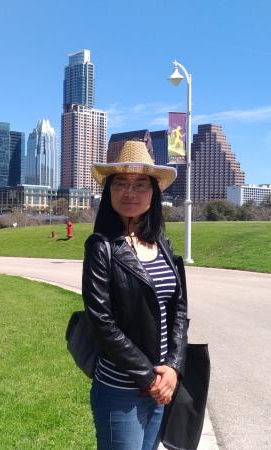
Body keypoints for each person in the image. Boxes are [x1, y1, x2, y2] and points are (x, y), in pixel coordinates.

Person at [83, 140, 188, 450]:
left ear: (153, 193)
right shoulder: (101, 246)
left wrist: (173, 368)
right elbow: (102, 323)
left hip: (161, 385)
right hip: (121, 390)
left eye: (140, 184)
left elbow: (179, 310)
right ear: (109, 192)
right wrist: (149, 378)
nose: (130, 192)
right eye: (121, 184)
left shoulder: (162, 245)